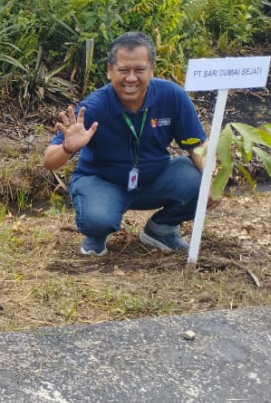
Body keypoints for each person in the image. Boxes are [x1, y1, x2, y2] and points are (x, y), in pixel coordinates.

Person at [43, 31, 210, 256]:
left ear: (152, 69)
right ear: (110, 71)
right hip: (104, 182)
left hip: (155, 178)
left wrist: (213, 179)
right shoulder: (93, 107)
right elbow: (49, 161)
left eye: (139, 70)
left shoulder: (172, 96)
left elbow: (198, 146)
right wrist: (68, 147)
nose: (131, 78)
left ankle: (161, 229)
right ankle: (96, 235)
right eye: (123, 70)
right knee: (97, 218)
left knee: (199, 178)